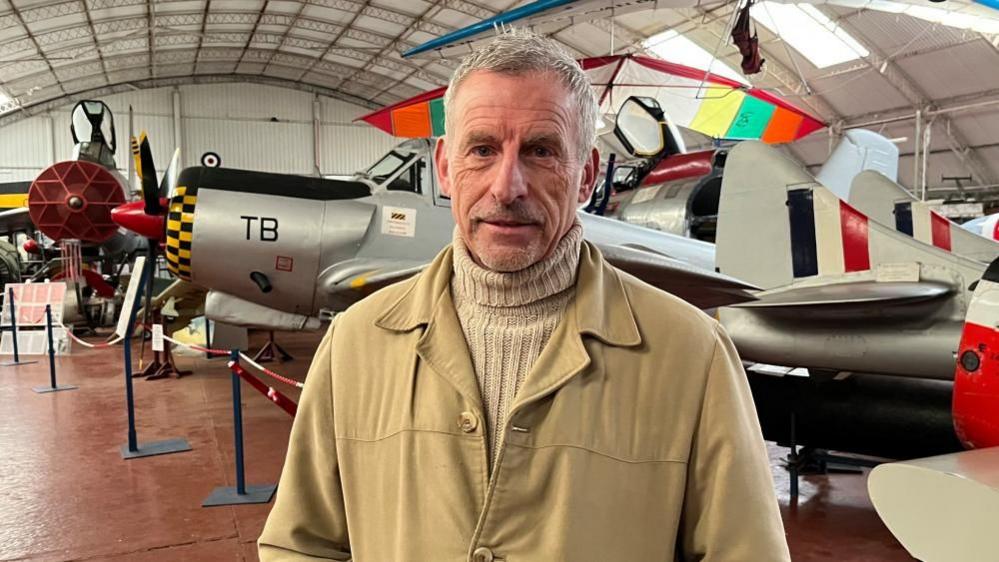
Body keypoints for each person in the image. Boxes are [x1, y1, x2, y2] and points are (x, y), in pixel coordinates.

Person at [258, 29, 790, 562]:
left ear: (586, 176)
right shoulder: (355, 343)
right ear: (445, 166)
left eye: (540, 151)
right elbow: (300, 545)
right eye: (483, 149)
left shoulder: (691, 354)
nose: (506, 187)